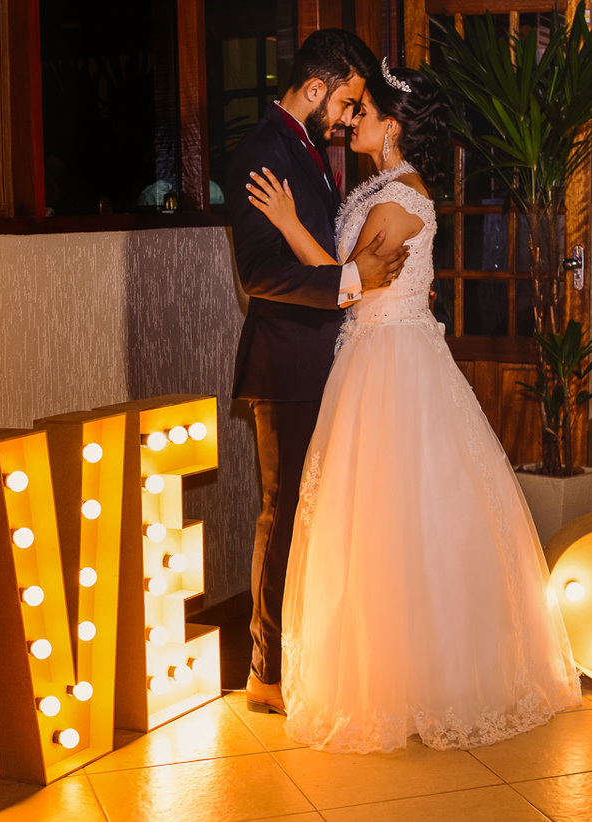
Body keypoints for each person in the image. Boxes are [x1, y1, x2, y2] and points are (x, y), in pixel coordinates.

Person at [245, 60, 581, 753]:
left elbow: (354, 281)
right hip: (371, 356)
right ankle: (384, 667)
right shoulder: (382, 186)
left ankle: (417, 680)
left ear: (392, 128)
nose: (352, 119)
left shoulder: (401, 201)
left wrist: (283, 222)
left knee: (398, 522)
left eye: (363, 111)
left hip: (390, 365)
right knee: (376, 521)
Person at [227, 30, 408, 716]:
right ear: (314, 88)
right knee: (284, 513)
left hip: (331, 359)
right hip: (289, 365)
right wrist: (348, 282)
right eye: (347, 100)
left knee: (321, 516)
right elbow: (257, 274)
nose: (347, 116)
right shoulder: (261, 150)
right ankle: (265, 672)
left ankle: (309, 656)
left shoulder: (305, 148)